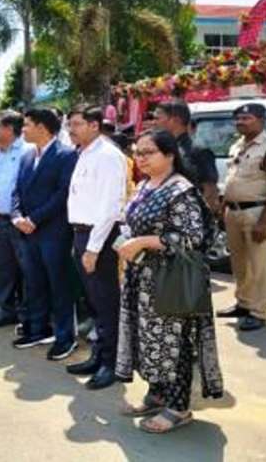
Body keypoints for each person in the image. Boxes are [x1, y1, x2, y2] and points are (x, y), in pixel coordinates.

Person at [115, 129, 223, 433]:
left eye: (149, 152)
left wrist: (144, 241)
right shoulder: (145, 185)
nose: (141, 158)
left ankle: (178, 407)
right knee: (149, 339)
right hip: (141, 277)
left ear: (170, 155)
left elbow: (192, 237)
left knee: (173, 342)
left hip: (170, 279)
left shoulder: (181, 190)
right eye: (137, 152)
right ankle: (157, 395)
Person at [66, 105, 127, 390]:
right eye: (70, 125)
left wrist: (93, 248)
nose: (72, 130)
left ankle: (111, 364)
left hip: (98, 236)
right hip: (82, 234)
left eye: (77, 124)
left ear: (94, 125)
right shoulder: (85, 152)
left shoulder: (108, 155)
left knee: (106, 303)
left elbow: (110, 207)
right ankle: (98, 356)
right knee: (93, 302)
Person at [12, 107, 79, 361]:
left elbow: (63, 194)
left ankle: (65, 337)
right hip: (28, 232)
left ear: (41, 127)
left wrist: (34, 219)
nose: (23, 130)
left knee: (59, 285)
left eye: (27, 125)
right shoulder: (27, 155)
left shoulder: (66, 155)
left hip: (54, 232)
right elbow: (17, 190)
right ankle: (38, 329)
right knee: (34, 282)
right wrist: (17, 216)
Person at [216, 103, 266, 331]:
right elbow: (232, 179)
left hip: (257, 212)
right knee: (239, 263)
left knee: (260, 264)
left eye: (246, 118)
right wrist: (223, 207)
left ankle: (259, 311)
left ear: (261, 120)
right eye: (238, 119)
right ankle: (244, 303)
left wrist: (264, 222)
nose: (240, 123)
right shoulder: (237, 146)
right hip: (234, 211)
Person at [0, 111, 32, 329]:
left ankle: (29, 316)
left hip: (23, 220)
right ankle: (7, 311)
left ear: (10, 129)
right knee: (3, 267)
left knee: (27, 269)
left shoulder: (29, 151)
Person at [153, 102, 220, 214]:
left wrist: (200, 217)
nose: (154, 123)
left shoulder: (199, 152)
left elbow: (210, 191)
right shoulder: (163, 149)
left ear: (175, 120)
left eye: (157, 118)